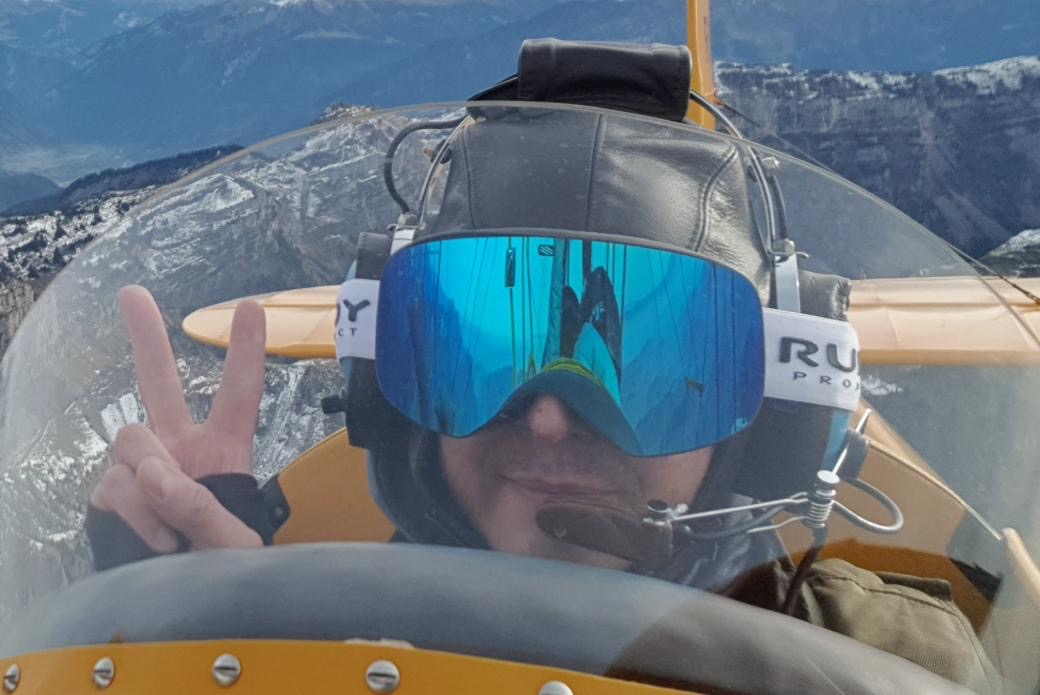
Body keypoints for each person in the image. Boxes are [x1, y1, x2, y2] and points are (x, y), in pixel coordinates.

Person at [86, 82, 999, 690]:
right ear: (389, 387)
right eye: (485, 358)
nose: (554, 416)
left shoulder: (899, 668)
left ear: (771, 411)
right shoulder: (300, 654)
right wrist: (193, 635)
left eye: (648, 370)